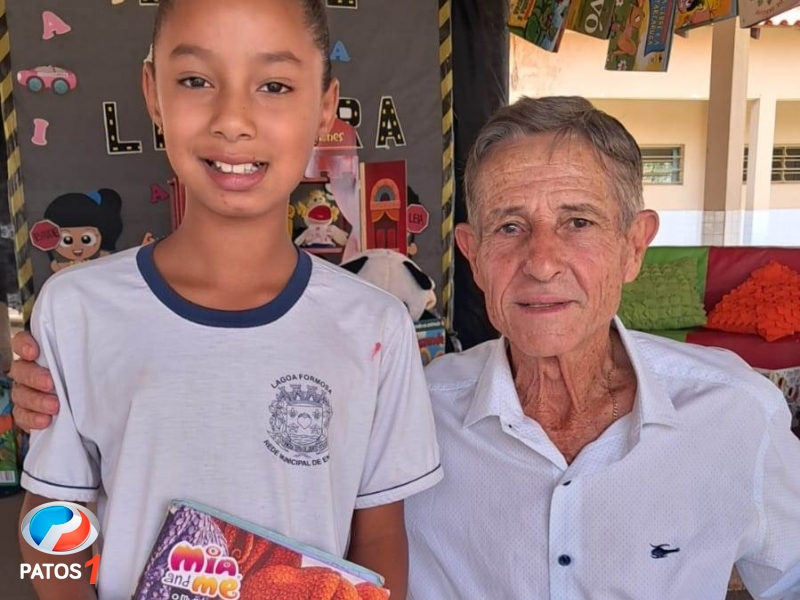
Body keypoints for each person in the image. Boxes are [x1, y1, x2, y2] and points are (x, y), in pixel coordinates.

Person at [13, 97, 800, 597]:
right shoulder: (404, 404)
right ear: (471, 252)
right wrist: (75, 391)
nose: (542, 259)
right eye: (509, 227)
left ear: (636, 247)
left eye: (580, 222)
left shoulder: (738, 416)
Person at [13, 1, 441, 598]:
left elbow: (379, 540)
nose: (233, 119)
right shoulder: (75, 310)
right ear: (153, 93)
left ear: (324, 105)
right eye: (195, 80)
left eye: (274, 85)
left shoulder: (375, 327)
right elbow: (45, 529)